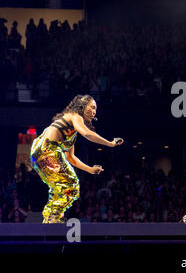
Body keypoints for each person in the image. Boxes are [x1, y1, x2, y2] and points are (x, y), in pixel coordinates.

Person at [30, 94, 124, 223]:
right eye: (92, 107)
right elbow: (87, 134)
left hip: (38, 153)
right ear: (82, 106)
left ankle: (50, 218)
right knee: (71, 185)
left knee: (60, 187)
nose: (94, 112)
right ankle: (53, 218)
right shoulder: (75, 116)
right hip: (47, 150)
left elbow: (71, 158)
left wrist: (90, 169)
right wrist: (110, 143)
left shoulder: (70, 132)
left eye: (95, 109)